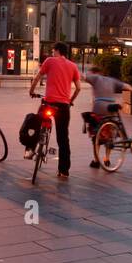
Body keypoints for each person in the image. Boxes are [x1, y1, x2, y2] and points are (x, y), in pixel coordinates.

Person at [29, 42, 82, 179]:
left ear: (57, 51)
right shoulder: (73, 66)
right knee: (63, 138)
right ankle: (64, 171)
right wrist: (70, 100)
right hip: (63, 107)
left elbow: (37, 78)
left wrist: (31, 91)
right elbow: (78, 88)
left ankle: (30, 150)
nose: (52, 53)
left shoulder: (49, 61)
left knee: (35, 122)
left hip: (49, 103)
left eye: (53, 51)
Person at [82, 64, 132, 169]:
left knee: (96, 137)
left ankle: (97, 161)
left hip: (99, 109)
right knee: (109, 137)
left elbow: (83, 76)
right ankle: (107, 158)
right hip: (111, 109)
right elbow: (125, 86)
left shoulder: (95, 78)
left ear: (94, 73)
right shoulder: (111, 80)